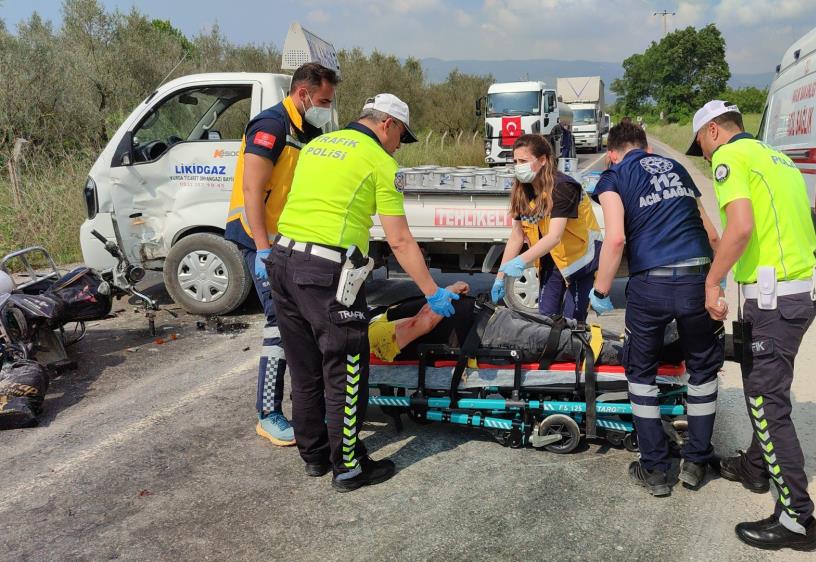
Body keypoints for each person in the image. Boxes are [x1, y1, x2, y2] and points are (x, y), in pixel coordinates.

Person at [268, 93, 460, 492]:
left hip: (283, 260)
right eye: (401, 137)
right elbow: (400, 240)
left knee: (305, 368)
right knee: (346, 369)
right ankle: (350, 467)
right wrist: (432, 292)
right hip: (326, 273)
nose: (398, 147)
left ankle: (315, 456)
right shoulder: (380, 162)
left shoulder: (318, 144)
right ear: (388, 124)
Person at [687, 100, 816, 551]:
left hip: (775, 299)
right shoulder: (775, 156)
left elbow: (741, 227)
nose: (705, 155)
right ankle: (756, 466)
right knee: (766, 386)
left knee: (767, 403)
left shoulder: (730, 156)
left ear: (713, 131)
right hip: (798, 292)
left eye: (701, 145)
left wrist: (713, 281)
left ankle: (797, 519)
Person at [587, 122, 724, 496]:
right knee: (702, 369)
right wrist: (717, 283)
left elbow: (616, 238)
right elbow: (712, 234)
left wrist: (600, 290)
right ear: (646, 148)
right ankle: (696, 462)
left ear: (612, 154)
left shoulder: (613, 176)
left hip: (652, 284)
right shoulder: (677, 168)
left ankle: (656, 470)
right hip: (697, 277)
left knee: (641, 373)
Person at [224, 62, 338, 447]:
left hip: (287, 240)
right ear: (303, 93)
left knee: (302, 322)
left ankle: (306, 404)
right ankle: (267, 413)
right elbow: (252, 190)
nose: (327, 108)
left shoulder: (307, 130)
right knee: (279, 321)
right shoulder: (270, 126)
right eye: (324, 101)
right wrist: (261, 248)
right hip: (258, 238)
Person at [369, 281, 684, 367]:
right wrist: (444, 295)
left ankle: (643, 342)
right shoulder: (373, 336)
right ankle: (652, 355)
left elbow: (426, 311)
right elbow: (422, 325)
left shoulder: (383, 313)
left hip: (490, 315)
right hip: (485, 338)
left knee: (567, 326)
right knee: (563, 342)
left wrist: (447, 293)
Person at [492, 134, 603, 323]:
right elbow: (517, 236)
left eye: (523, 161)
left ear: (543, 160)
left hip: (580, 261)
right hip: (551, 261)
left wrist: (520, 261)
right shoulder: (522, 191)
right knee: (545, 320)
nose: (518, 166)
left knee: (572, 322)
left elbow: (554, 237)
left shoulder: (563, 187)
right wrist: (500, 277)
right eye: (515, 161)